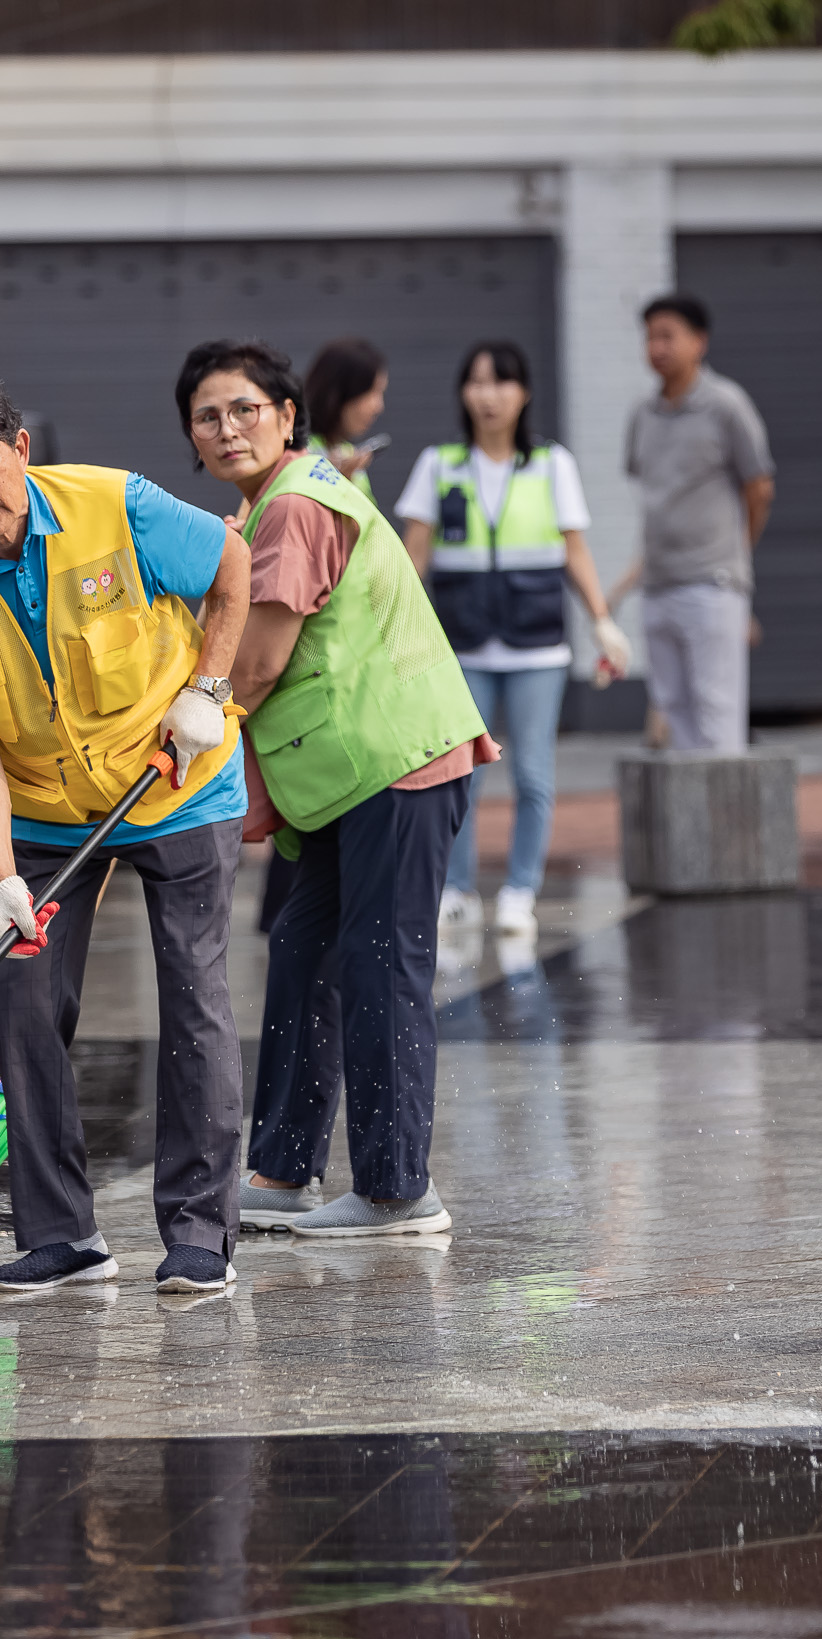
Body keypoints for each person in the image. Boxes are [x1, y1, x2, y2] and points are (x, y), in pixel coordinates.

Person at [0, 375, 254, 1297]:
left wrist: (205, 692)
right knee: (25, 996)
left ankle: (201, 1232)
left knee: (194, 993)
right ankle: (63, 1235)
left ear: (18, 447)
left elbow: (231, 567)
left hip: (178, 781)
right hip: (47, 812)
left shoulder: (115, 506)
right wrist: (3, 880)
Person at [180, 340, 487, 1238]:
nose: (227, 426)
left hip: (395, 761)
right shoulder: (270, 506)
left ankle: (397, 1190)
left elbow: (261, 662)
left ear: (285, 414)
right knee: (305, 951)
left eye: (244, 408)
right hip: (345, 776)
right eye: (207, 415)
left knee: (378, 964)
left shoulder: (298, 506)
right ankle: (280, 1170)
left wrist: (192, 725)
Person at [399, 340, 631, 938]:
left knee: (533, 776)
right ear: (462, 394)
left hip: (537, 649)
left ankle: (520, 892)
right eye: (476, 382)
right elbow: (413, 552)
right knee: (461, 777)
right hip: (464, 647)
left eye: (501, 382)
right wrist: (391, 625)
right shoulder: (440, 463)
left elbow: (574, 548)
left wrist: (602, 618)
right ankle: (457, 888)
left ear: (523, 393)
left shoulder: (552, 464)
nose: (489, 394)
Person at [258, 338, 389, 936]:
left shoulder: (327, 464)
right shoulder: (305, 476)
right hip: (322, 676)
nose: (378, 406)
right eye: (372, 393)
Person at [617, 292, 774, 755]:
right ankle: (690, 828)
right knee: (672, 709)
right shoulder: (642, 415)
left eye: (668, 336)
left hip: (712, 583)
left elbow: (759, 489)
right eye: (650, 338)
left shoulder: (726, 405)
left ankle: (727, 829)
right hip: (659, 586)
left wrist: (736, 558)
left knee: (717, 716)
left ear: (698, 342)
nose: (657, 347)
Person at [302, 337, 389, 500]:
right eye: (371, 392)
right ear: (340, 392)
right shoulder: (295, 453)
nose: (378, 406)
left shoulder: (349, 455)